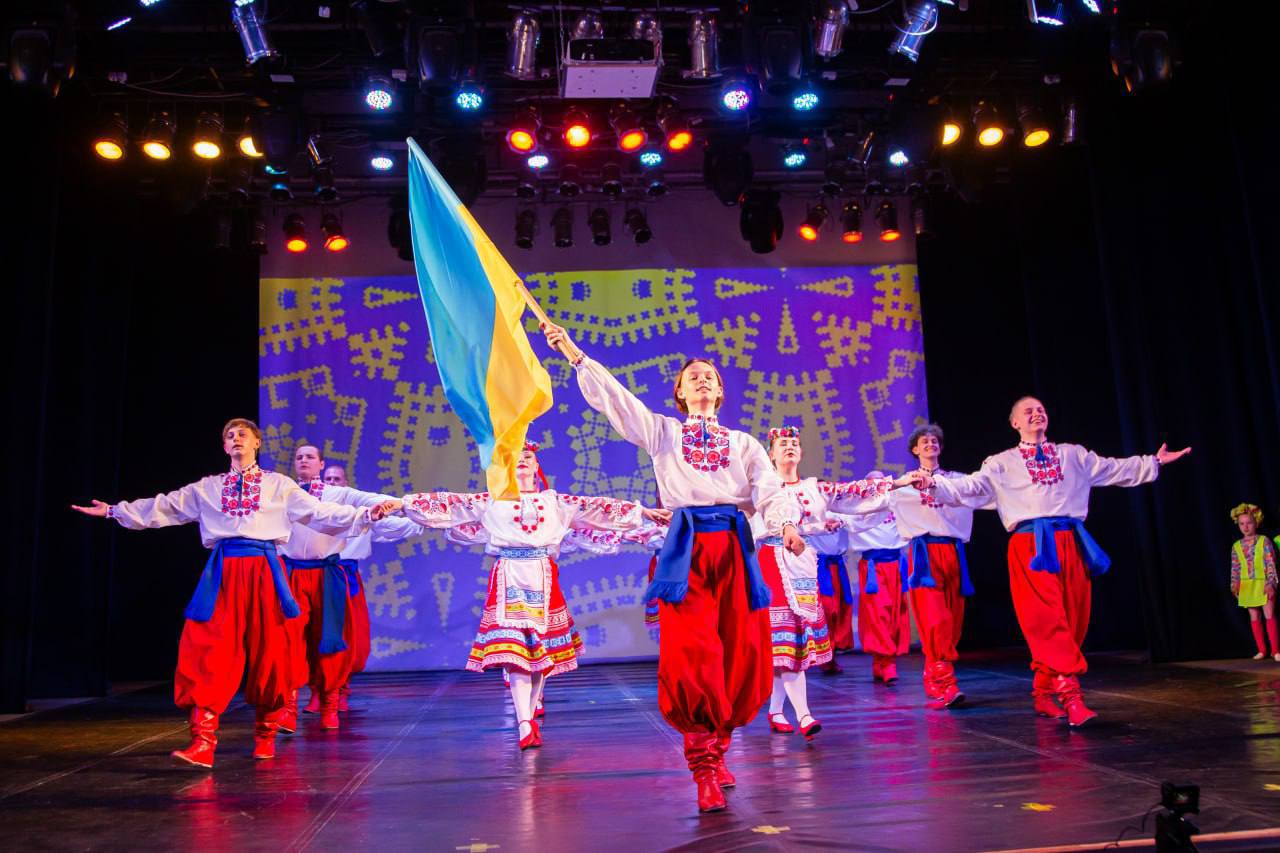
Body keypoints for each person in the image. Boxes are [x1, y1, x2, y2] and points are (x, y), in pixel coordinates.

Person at [543, 321, 807, 813]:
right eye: (693, 377)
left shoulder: (744, 443)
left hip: (735, 548)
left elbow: (770, 491)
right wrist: (575, 354)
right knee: (693, 654)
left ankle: (719, 748)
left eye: (710, 375)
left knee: (739, 652)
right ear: (680, 393)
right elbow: (620, 404)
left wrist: (786, 524)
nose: (702, 379)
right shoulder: (664, 433)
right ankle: (703, 768)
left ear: (720, 391)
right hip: (687, 549)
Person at [71, 419, 387, 767]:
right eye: (230, 436)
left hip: (265, 570)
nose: (236, 439)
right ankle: (203, 741)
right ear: (224, 446)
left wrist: (365, 515)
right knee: (206, 647)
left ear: (257, 443)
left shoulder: (279, 485)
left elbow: (320, 512)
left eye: (243, 434)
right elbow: (166, 506)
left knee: (273, 649)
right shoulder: (208, 487)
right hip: (223, 572)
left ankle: (266, 734)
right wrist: (114, 511)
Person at [929, 396, 1191, 726]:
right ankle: (1072, 698)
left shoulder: (1072, 454)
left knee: (1074, 618)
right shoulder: (1000, 463)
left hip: (1071, 540)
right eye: (1028, 411)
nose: (1036, 414)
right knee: (1046, 619)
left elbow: (1112, 468)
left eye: (1040, 410)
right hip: (1030, 545)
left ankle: (1043, 692)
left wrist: (1153, 462)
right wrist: (933, 483)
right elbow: (970, 486)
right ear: (1015, 423)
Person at [388, 441, 666, 750]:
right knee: (517, 655)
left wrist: (642, 512)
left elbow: (596, 507)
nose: (521, 460)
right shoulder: (492, 501)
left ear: (536, 465)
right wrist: (403, 504)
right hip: (509, 574)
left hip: (543, 576)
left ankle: (529, 714)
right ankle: (524, 722)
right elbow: (453, 504)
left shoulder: (555, 502)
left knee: (539, 653)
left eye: (528, 456)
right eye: (515, 457)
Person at [758, 427, 923, 739]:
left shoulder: (814, 487)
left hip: (803, 562)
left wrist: (897, 482)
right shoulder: (762, 487)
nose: (790, 447)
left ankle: (776, 711)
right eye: (783, 444)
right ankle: (804, 715)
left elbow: (853, 491)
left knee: (794, 643)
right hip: (773, 561)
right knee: (786, 638)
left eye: (795, 443)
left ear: (801, 452)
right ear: (771, 453)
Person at [281, 446, 422, 730]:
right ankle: (289, 706)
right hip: (293, 573)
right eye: (299, 457)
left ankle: (331, 701)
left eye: (310, 456)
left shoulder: (340, 496)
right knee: (289, 640)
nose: (304, 460)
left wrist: (408, 507)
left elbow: (373, 504)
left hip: (330, 574)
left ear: (321, 463)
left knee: (334, 639)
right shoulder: (285, 494)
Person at [888, 423, 988, 708]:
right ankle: (946, 683)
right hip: (923, 554)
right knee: (935, 619)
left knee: (953, 621)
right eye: (924, 441)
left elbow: (985, 495)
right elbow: (872, 503)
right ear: (915, 449)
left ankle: (932, 674)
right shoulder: (903, 485)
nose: (930, 444)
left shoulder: (958, 481)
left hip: (954, 552)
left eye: (934, 441)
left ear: (940, 448)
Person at [843, 477, 911, 686]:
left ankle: (880, 661)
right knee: (877, 614)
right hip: (873, 567)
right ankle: (887, 661)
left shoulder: (896, 503)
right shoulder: (856, 507)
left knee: (895, 614)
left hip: (896, 565)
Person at [1229, 504, 1278, 661]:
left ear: (1256, 522)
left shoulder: (1264, 541)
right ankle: (1262, 650)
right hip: (1247, 585)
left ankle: (1276, 650)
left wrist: (1271, 582)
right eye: (1242, 523)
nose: (1245, 527)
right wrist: (1234, 584)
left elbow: (1270, 563)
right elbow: (1235, 568)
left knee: (1269, 614)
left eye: (1249, 523)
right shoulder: (1236, 546)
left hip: (1263, 583)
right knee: (1254, 617)